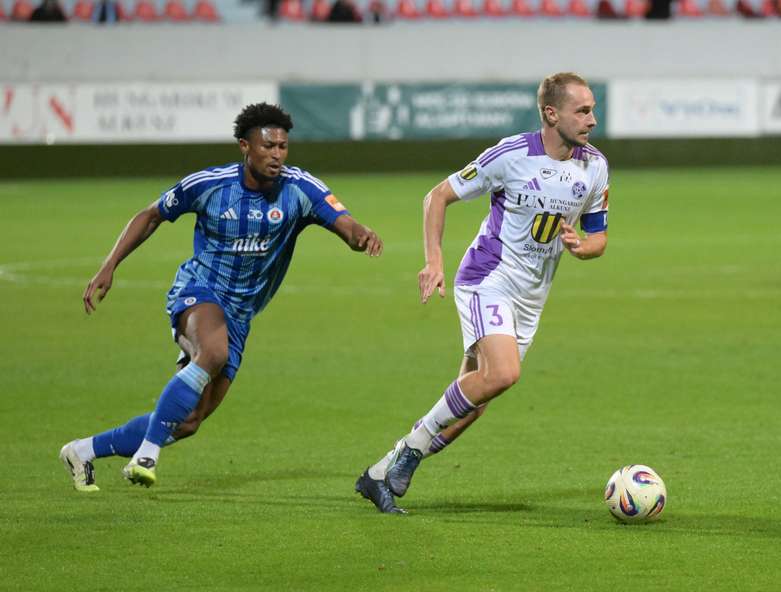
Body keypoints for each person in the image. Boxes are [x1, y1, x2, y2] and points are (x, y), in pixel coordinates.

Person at [60, 102, 383, 492]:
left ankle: (83, 450)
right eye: (268, 146)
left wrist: (360, 235)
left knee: (188, 421)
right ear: (245, 147)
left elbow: (344, 222)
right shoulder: (209, 185)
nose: (277, 155)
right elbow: (150, 216)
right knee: (212, 354)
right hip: (199, 291)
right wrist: (109, 265)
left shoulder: (300, 188)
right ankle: (146, 454)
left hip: (241, 315)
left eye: (282, 146)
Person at [355, 72, 610, 514]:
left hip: (532, 297)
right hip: (487, 277)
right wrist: (434, 261)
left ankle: (380, 474)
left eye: (592, 109)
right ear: (552, 114)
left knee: (474, 401)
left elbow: (599, 237)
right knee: (503, 374)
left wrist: (582, 247)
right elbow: (437, 197)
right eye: (582, 110)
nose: (592, 118)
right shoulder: (511, 154)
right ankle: (409, 449)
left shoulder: (595, 166)